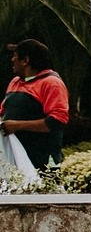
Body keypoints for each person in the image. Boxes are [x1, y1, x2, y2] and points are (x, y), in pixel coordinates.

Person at [4, 37, 71, 173]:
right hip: (14, 161)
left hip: (42, 163)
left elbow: (56, 122)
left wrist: (16, 126)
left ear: (25, 60)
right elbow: (3, 111)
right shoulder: (15, 82)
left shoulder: (52, 83)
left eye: (15, 56)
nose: (12, 59)